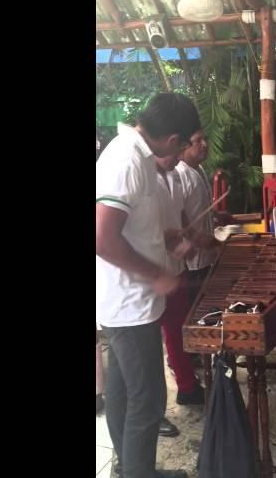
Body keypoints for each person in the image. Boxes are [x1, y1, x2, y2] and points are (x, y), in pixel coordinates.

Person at [96, 93, 201, 478]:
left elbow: (131, 224)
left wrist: (165, 235)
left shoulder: (134, 153)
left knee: (123, 395)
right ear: (173, 140)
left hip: (127, 301)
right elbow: (102, 238)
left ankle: (129, 468)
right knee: (149, 401)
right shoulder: (126, 161)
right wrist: (156, 273)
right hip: (130, 303)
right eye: (187, 142)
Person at [154, 151, 206, 407]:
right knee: (155, 342)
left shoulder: (175, 173)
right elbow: (139, 230)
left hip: (176, 268)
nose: (177, 156)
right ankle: (160, 407)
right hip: (151, 274)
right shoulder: (142, 177)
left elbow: (182, 215)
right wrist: (170, 242)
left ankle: (187, 387)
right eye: (175, 148)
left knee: (178, 329)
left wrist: (195, 238)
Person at [175, 130, 230, 306]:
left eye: (205, 139)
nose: (205, 144)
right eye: (198, 140)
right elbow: (176, 215)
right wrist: (199, 239)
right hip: (191, 264)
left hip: (206, 257)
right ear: (184, 145)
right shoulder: (179, 174)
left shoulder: (199, 168)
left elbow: (199, 206)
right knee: (194, 313)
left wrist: (215, 215)